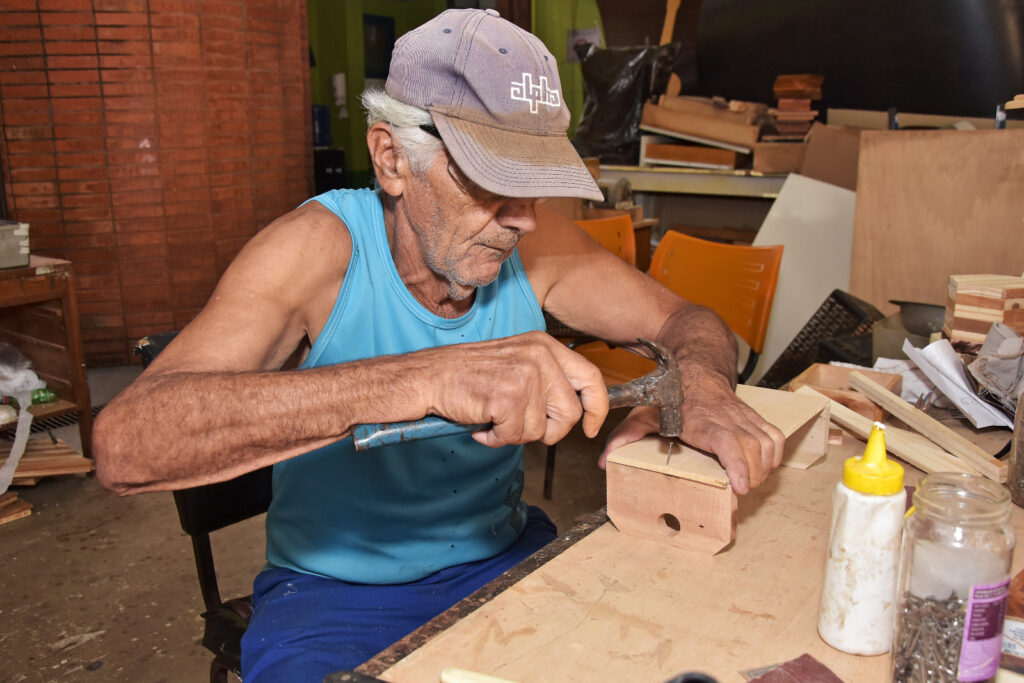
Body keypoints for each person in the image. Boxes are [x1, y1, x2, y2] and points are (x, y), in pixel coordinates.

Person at [93, 8, 785, 681]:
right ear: (392, 159)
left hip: (504, 556)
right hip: (337, 597)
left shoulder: (530, 244)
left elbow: (687, 320)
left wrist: (701, 383)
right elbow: (128, 443)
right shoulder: (317, 250)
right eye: (491, 180)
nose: (522, 219)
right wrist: (423, 378)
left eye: (535, 182)